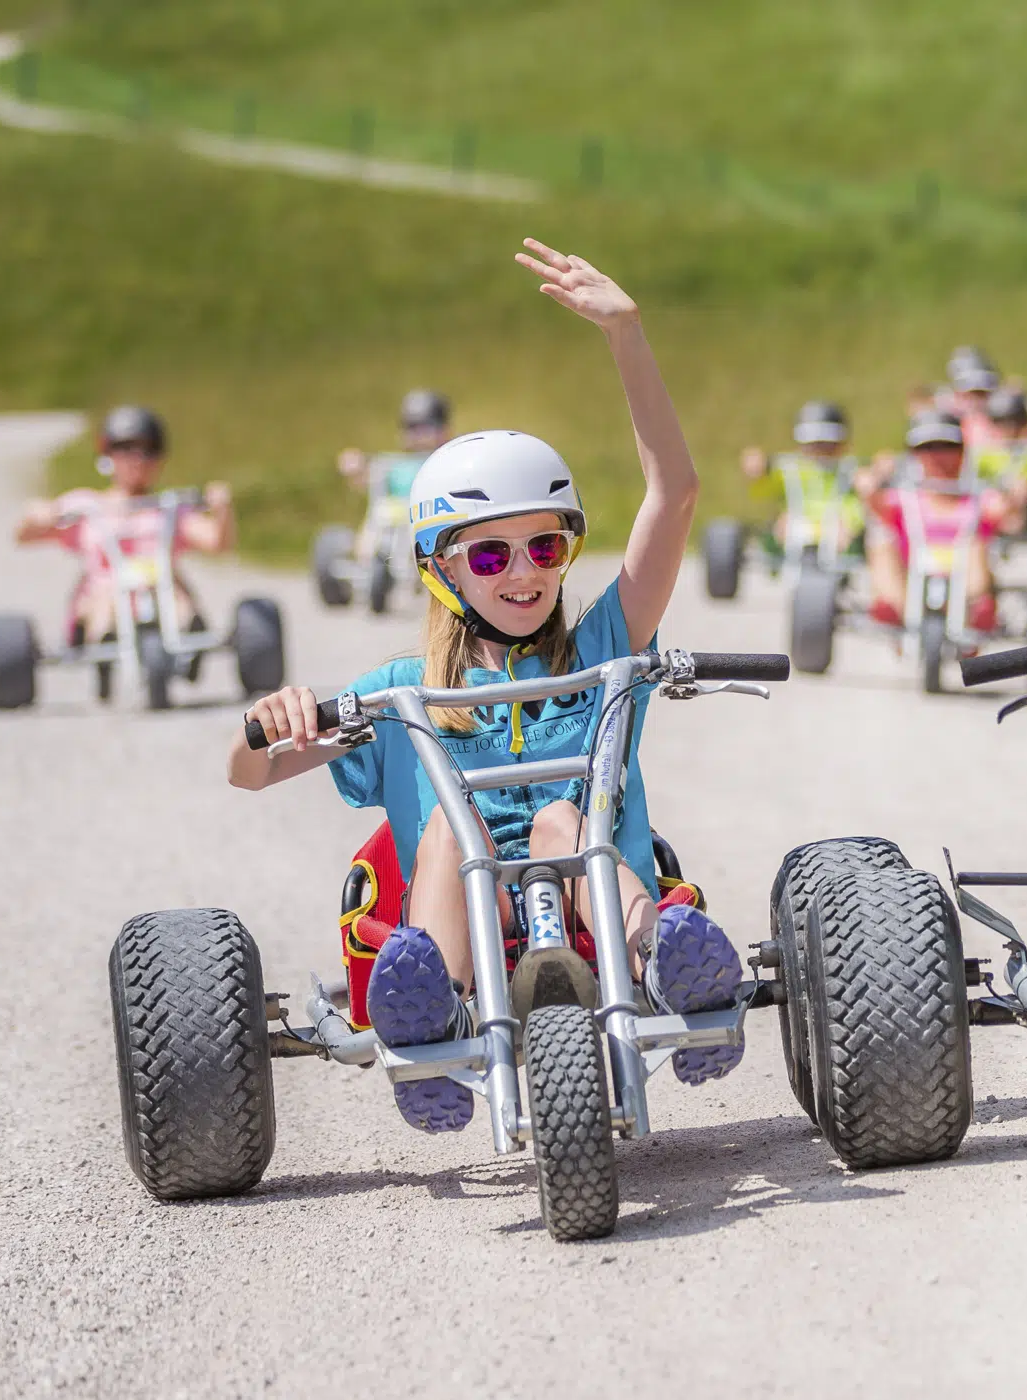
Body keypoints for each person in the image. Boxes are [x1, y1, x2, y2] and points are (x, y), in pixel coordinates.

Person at [232, 239, 745, 1134]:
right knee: (444, 834)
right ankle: (431, 1015)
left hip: (593, 904)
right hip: (455, 928)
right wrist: (267, 726)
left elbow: (676, 494)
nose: (524, 573)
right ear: (442, 569)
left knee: (557, 820)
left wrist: (627, 335)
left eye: (546, 547)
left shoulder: (603, 655)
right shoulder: (401, 694)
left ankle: (665, 959)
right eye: (492, 553)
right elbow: (249, 775)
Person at [14, 405, 235, 644]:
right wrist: (39, 514)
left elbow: (217, 543)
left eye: (148, 450)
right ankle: (104, 644)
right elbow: (25, 535)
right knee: (105, 600)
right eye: (126, 449)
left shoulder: (168, 508)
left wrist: (222, 510)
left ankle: (188, 636)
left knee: (175, 596)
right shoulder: (87, 505)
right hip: (103, 593)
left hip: (158, 590)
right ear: (108, 453)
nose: (138, 460)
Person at [860, 408, 1006, 633]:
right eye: (927, 448)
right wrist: (878, 474)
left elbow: (1004, 512)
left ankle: (972, 612)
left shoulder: (977, 498)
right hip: (911, 577)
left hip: (964, 577)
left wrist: (1015, 493)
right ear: (914, 455)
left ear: (961, 453)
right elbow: (871, 497)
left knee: (977, 544)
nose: (937, 457)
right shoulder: (905, 498)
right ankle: (898, 611)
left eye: (947, 448)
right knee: (881, 543)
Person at [737, 399, 864, 565]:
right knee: (783, 524)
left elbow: (856, 504)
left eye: (828, 445)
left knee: (847, 527)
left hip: (837, 525)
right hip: (796, 522)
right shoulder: (790, 469)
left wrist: (871, 479)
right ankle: (782, 561)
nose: (821, 451)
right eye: (814, 445)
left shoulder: (849, 469)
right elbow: (762, 488)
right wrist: (757, 470)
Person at [337, 389, 455, 561]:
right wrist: (355, 466)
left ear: (443, 430)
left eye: (425, 428)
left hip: (423, 520)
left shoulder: (445, 461)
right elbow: (362, 477)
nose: (418, 435)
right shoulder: (393, 463)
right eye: (412, 428)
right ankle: (364, 561)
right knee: (377, 519)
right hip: (386, 521)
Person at [973, 387, 1027, 535]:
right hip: (995, 507)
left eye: (1014, 422)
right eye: (1000, 422)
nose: (1008, 429)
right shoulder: (984, 455)